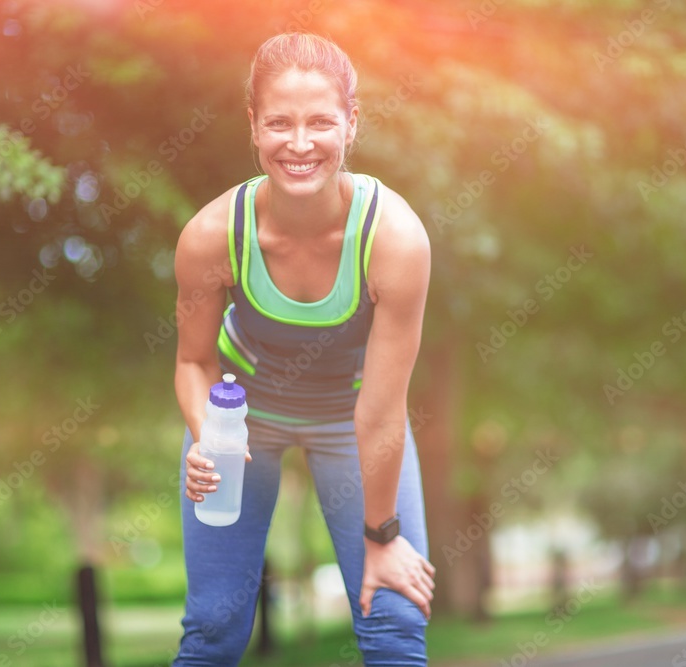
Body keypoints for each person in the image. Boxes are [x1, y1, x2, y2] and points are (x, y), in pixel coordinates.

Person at [171, 32, 435, 666]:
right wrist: (210, 435)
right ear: (253, 128)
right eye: (279, 123)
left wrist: (383, 536)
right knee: (213, 627)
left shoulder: (394, 239)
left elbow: (381, 410)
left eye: (320, 122)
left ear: (351, 124)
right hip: (241, 420)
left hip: (353, 422)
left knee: (395, 617)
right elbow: (192, 361)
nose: (299, 143)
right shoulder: (210, 237)